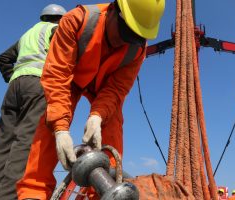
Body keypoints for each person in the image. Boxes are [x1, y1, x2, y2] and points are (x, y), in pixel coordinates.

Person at [16, 0, 165, 199]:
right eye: (125, 32)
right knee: (51, 120)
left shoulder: (137, 49)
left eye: (134, 37)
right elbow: (58, 75)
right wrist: (60, 129)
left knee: (112, 122)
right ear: (113, 10)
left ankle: (104, 193)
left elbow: (116, 89)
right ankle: (34, 191)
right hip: (71, 80)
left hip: (103, 88)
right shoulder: (77, 21)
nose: (125, 41)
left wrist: (97, 115)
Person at [0, 4, 66, 200]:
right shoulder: (56, 30)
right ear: (61, 18)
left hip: (15, 87)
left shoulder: (27, 34)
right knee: (25, 145)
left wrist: (13, 77)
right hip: (39, 85)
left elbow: (3, 59)